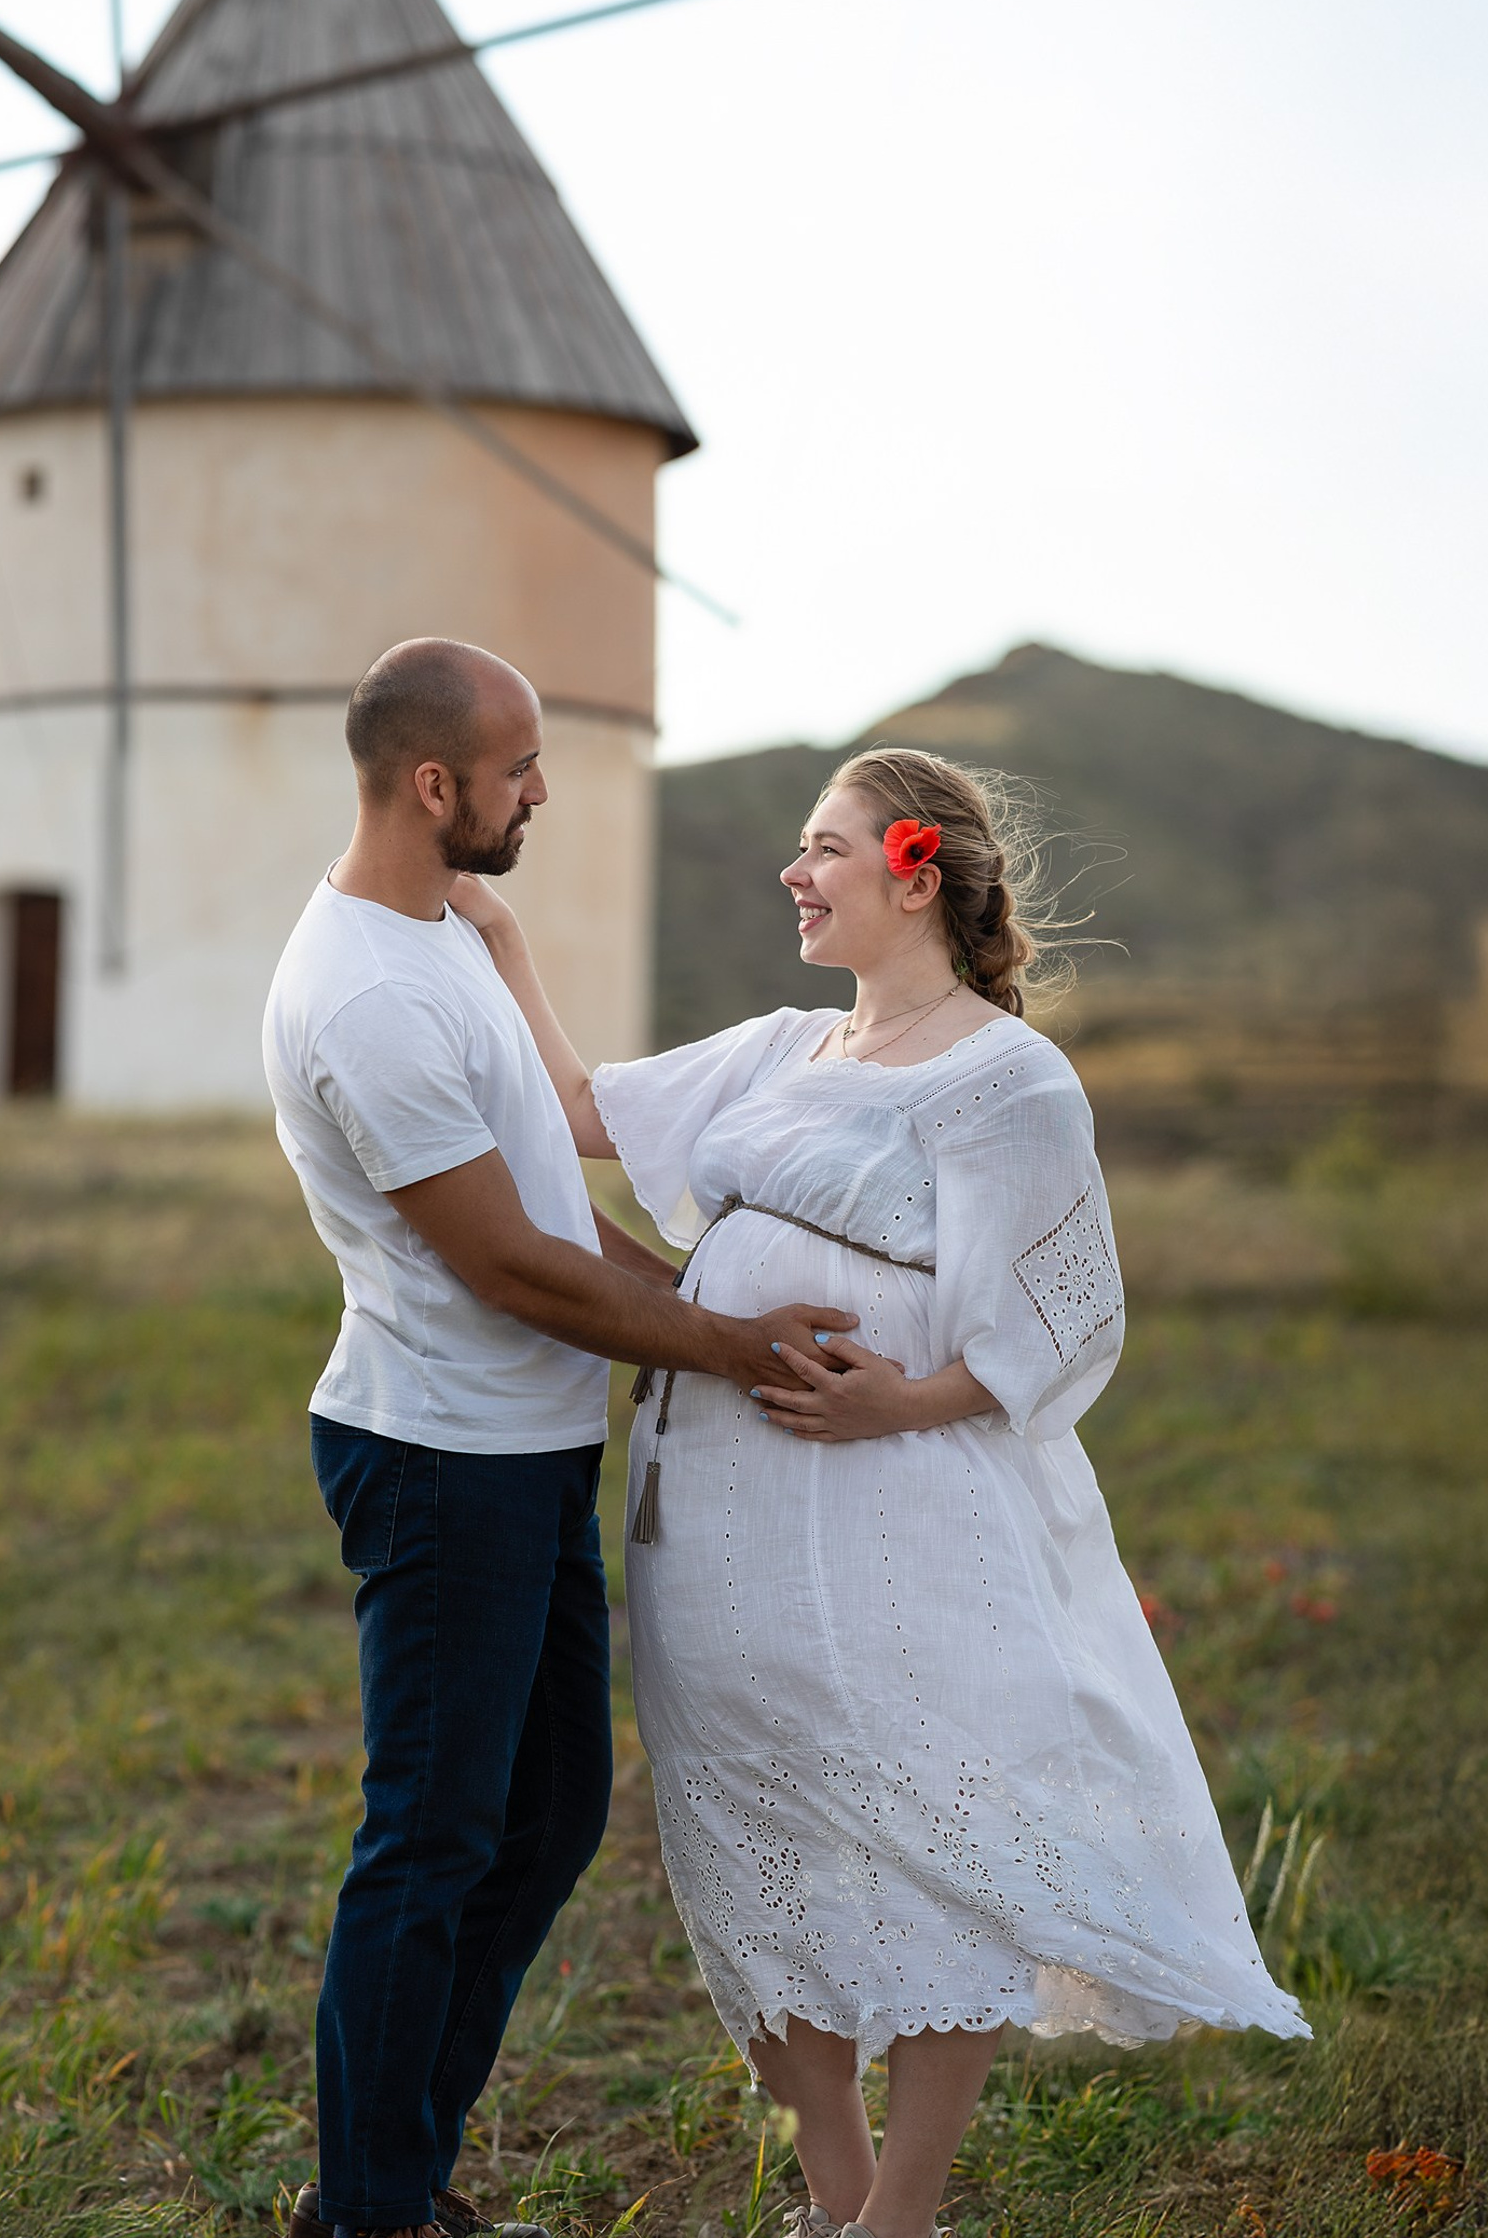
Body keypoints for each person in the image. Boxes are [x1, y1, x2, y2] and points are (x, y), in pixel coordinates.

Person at [449, 745, 1309, 2238]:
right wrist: (504, 940)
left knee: (930, 1828)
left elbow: (1065, 1309)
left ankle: (902, 2218)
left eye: (825, 847)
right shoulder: (786, 1047)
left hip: (895, 1501)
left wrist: (905, 1398)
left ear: (914, 867)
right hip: (714, 1504)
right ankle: (834, 2198)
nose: (796, 872)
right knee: (750, 1833)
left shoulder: (1006, 1074)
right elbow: (581, 1110)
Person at [265, 639, 854, 2238]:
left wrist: (691, 1289)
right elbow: (510, 1266)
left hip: (521, 1456)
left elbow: (548, 1203)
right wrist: (723, 1346)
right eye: (522, 767)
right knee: (434, 1838)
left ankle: (397, 2187)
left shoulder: (445, 925)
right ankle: (373, 2215)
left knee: (542, 1820)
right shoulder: (367, 995)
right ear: (434, 782)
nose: (547, 791)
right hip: (442, 1463)